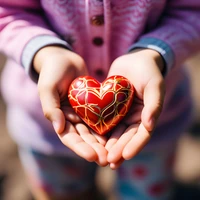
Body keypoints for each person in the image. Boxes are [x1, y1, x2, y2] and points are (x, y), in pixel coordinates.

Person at [0, 0, 200, 199]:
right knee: (63, 192)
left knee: (147, 193)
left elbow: (193, 11)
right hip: (47, 126)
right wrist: (45, 51)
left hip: (153, 124)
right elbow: (7, 11)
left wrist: (154, 52)